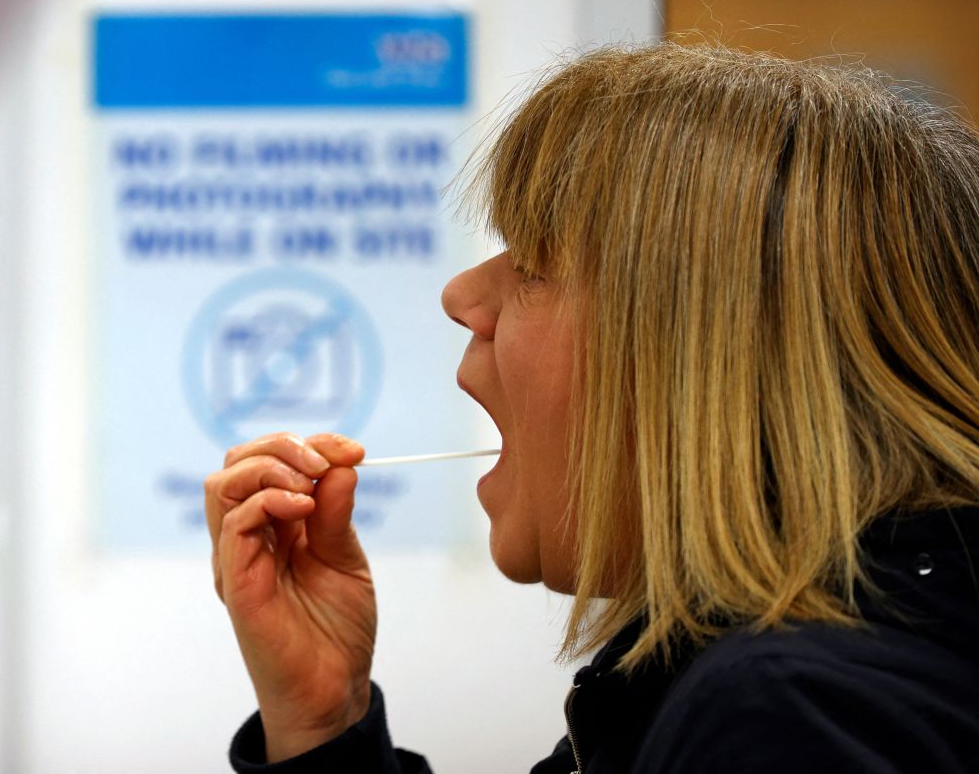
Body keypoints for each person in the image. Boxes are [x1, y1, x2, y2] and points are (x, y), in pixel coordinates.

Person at [203, 42, 979, 773]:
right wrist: (322, 726)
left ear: (698, 353)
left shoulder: (788, 715)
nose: (462, 297)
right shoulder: (822, 674)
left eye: (534, 262)